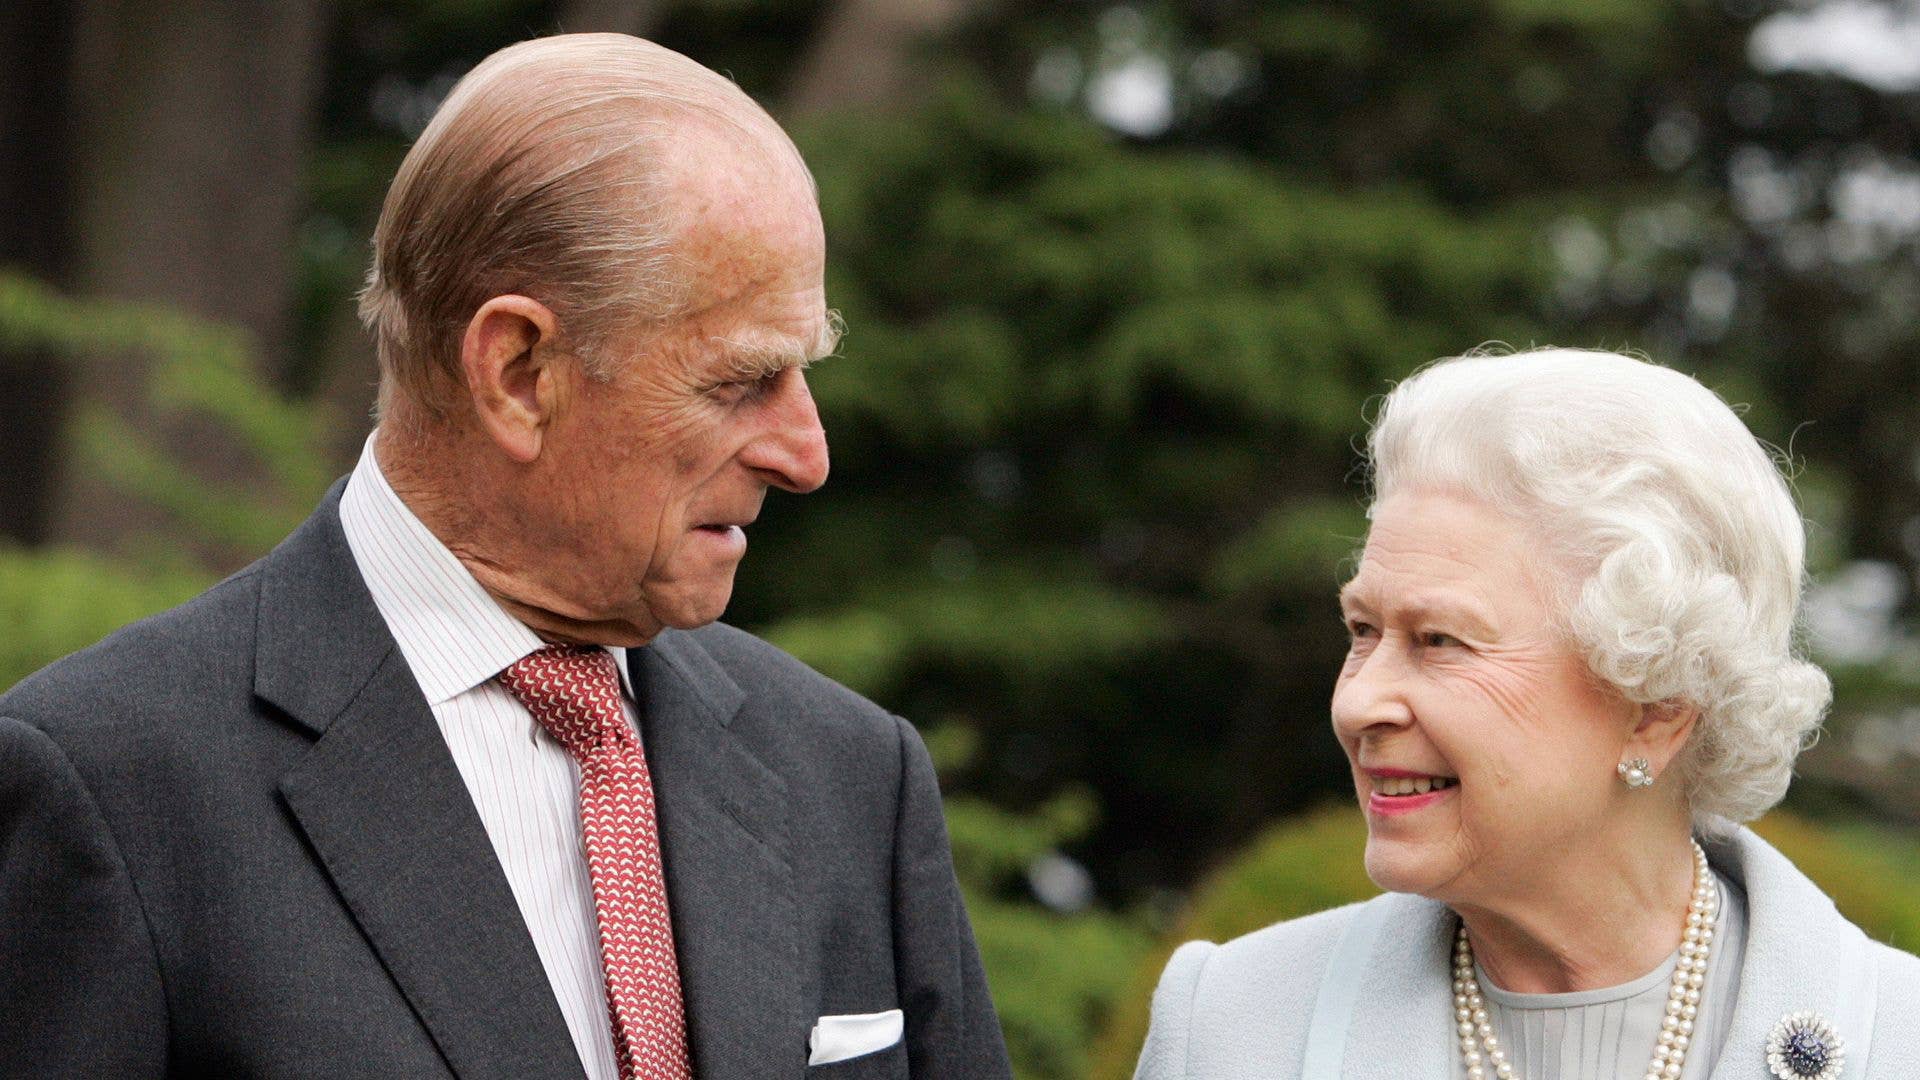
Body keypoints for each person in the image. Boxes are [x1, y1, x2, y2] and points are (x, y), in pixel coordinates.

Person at [0, 34, 1009, 1080]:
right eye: (741, 381)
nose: (807, 455)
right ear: (519, 371)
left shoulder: (853, 778)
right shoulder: (110, 789)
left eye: (804, 376)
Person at [1134, 348, 1920, 1080]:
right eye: (1363, 631)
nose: (1358, 700)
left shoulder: (1898, 1040)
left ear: (1656, 707)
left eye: (1440, 640)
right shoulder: (1229, 1027)